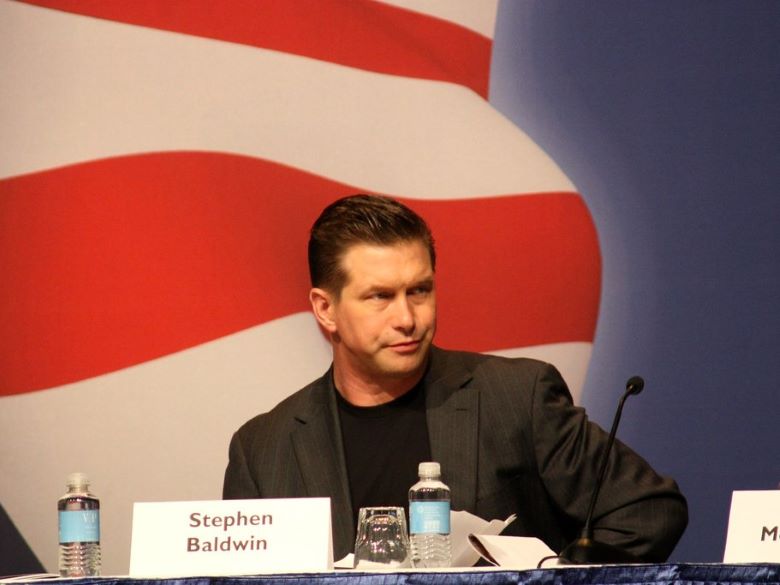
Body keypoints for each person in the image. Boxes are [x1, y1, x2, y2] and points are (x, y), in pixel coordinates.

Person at [223, 194, 688, 562]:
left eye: (420, 290)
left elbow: (648, 511)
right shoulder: (264, 449)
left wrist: (548, 580)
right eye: (380, 297)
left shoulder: (515, 397)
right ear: (325, 309)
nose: (407, 318)